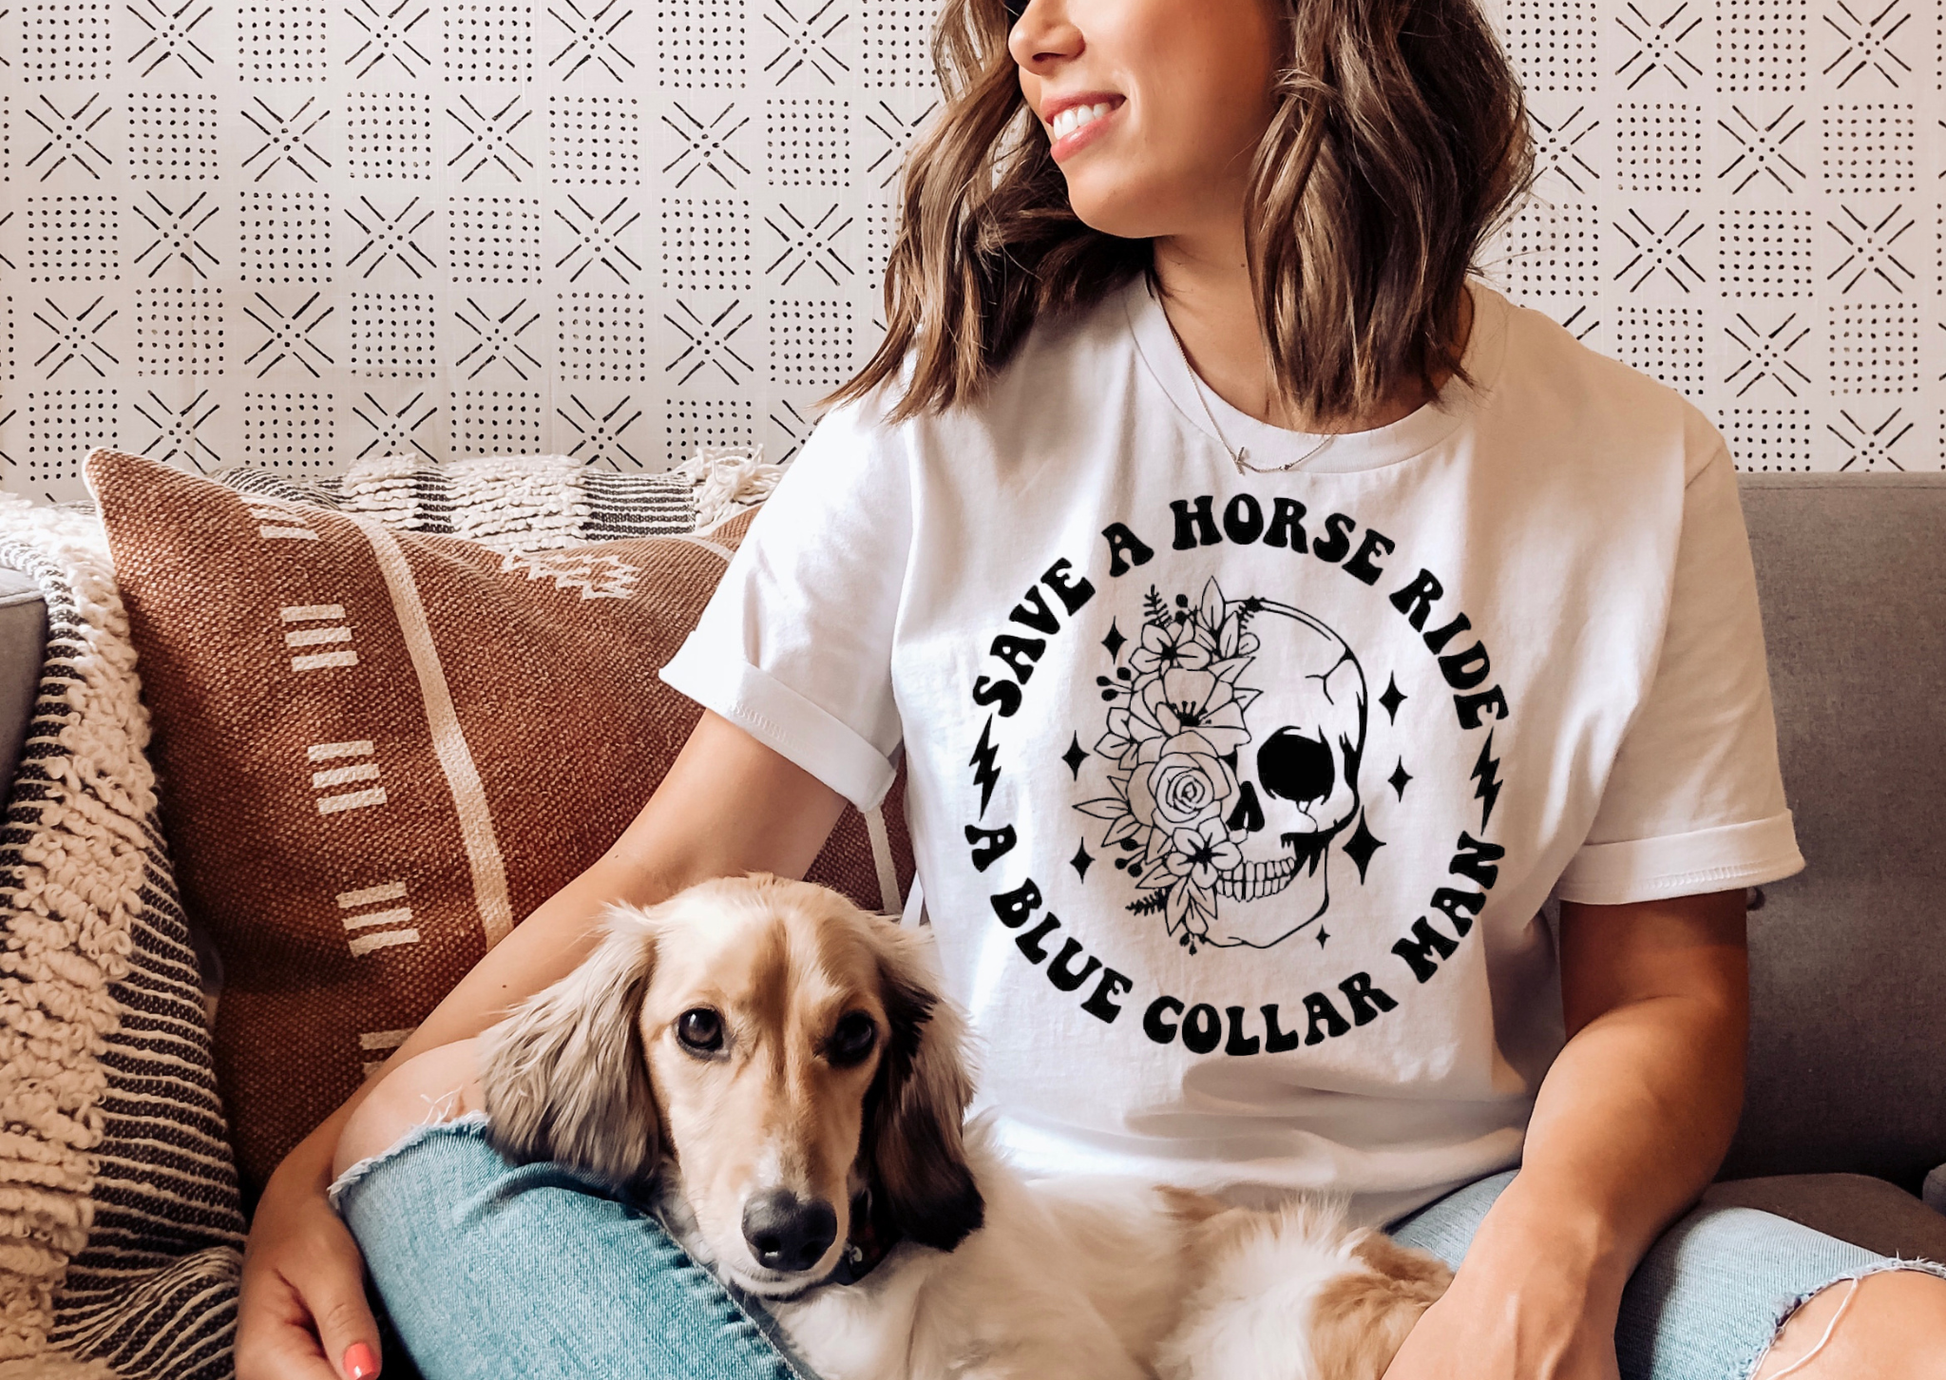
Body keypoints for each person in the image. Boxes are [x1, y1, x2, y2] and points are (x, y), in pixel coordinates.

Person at [236, 0, 1946, 1376]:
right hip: (983, 1238)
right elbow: (674, 874)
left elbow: (1664, 994)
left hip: (1429, 1233)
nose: (1031, 36)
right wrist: (313, 1174)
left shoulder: (1634, 469)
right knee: (430, 1169)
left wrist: (1541, 1268)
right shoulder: (932, 426)